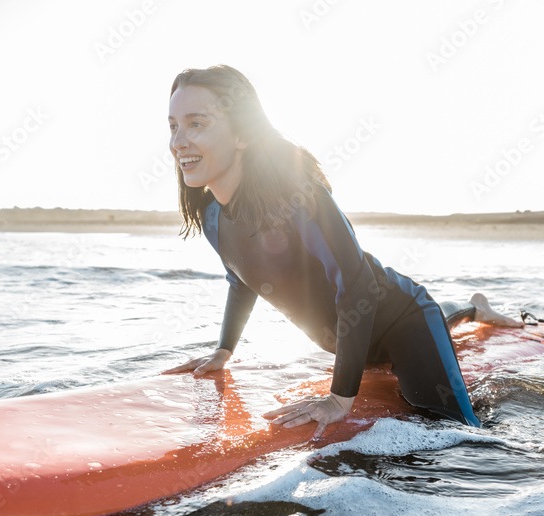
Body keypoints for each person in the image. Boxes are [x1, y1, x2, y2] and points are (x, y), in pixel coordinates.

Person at [162, 65, 520, 437]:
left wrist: (339, 398)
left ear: (242, 134)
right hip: (354, 344)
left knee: (462, 434)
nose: (178, 142)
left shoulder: (297, 196)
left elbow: (357, 286)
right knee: (440, 330)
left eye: (196, 124)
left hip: (402, 321)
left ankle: (476, 311)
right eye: (173, 126)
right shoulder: (213, 215)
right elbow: (241, 279)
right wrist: (224, 351)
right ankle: (476, 307)